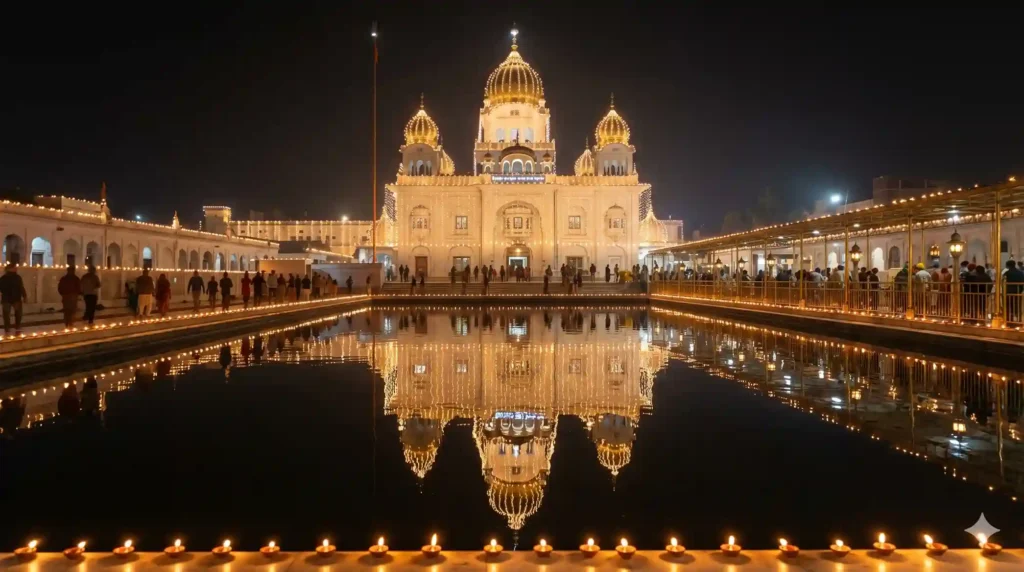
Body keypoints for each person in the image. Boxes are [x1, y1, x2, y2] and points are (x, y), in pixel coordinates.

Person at [0, 263, 27, 334]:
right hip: (15, 298)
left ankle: (8, 327)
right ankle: (15, 326)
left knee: (8, 314)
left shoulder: (4, 278)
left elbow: (21, 287)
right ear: (10, 268)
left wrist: (24, 296)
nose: (16, 269)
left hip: (9, 298)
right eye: (14, 268)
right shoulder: (16, 277)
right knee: (14, 313)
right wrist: (24, 296)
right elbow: (21, 288)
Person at [1003, 259, 1024, 324]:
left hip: (1009, 292)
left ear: (1008, 266)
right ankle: (1019, 320)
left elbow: (1003, 282)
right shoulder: (1020, 272)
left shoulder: (1007, 273)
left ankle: (1009, 321)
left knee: (1009, 307)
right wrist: (1020, 290)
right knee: (1017, 307)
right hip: (1018, 292)